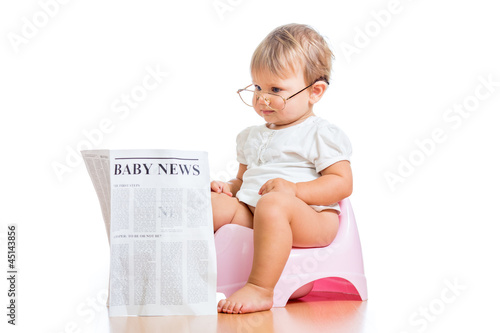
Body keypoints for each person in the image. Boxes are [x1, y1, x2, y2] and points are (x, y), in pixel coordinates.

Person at [211, 23, 353, 314]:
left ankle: (261, 288)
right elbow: (243, 181)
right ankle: (186, 276)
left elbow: (342, 183)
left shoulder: (320, 133)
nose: (262, 98)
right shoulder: (250, 136)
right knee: (211, 205)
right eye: (258, 87)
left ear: (315, 92)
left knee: (274, 203)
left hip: (310, 219)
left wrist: (295, 190)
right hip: (255, 210)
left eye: (275, 89)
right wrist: (229, 188)